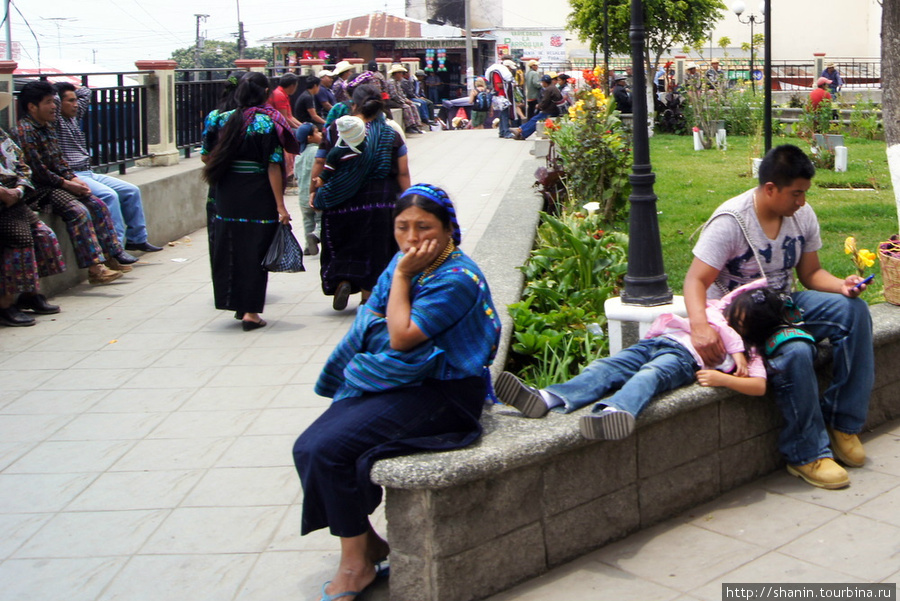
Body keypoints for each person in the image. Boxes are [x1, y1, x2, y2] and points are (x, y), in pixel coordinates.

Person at [292, 184, 502, 601]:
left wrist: (401, 285)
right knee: (309, 447)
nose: (411, 238)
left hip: (442, 392)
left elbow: (400, 336)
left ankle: (355, 565)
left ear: (448, 230)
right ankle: (365, 541)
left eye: (424, 227)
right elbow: (372, 326)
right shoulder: (401, 263)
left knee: (328, 450)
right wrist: (392, 308)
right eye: (402, 227)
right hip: (392, 379)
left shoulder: (457, 277)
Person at [683, 144, 874, 490]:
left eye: (805, 193)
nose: (801, 201)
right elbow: (695, 280)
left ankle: (844, 423)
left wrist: (842, 287)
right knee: (796, 351)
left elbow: (812, 274)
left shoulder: (802, 215)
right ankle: (806, 454)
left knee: (854, 311)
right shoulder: (731, 221)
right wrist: (700, 327)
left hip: (783, 303)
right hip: (742, 318)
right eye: (796, 194)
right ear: (770, 189)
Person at [496, 279, 770, 440]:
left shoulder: (751, 350)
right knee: (605, 367)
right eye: (734, 315)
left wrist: (724, 378)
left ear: (754, 332)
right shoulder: (718, 310)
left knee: (649, 376)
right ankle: (547, 398)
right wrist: (766, 285)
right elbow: (739, 296)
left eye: (741, 324)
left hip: (684, 360)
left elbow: (759, 386)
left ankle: (615, 412)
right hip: (656, 342)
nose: (733, 323)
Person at [201, 72, 300, 331]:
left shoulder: (217, 118)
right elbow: (273, 165)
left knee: (230, 247)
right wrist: (280, 206)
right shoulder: (268, 122)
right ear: (265, 93)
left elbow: (205, 157)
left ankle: (237, 304)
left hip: (226, 194)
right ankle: (251, 313)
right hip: (258, 194)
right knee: (255, 252)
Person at [15, 81, 129, 285]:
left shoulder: (47, 126)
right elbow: (38, 172)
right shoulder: (24, 132)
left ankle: (112, 255)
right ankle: (95, 269)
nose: (54, 107)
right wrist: (67, 184)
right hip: (40, 188)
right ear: (32, 106)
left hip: (57, 182)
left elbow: (59, 160)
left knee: (96, 203)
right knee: (78, 211)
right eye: (49, 102)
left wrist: (73, 178)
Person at [309, 84, 411, 311]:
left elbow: (320, 161)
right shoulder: (390, 132)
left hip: (341, 199)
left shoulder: (337, 129)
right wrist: (408, 202)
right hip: (381, 199)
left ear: (353, 105)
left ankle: (343, 279)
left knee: (344, 241)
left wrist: (313, 191)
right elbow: (402, 171)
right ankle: (368, 295)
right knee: (376, 248)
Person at [53, 82, 162, 253]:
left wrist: (75, 88)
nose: (75, 104)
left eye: (75, 100)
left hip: (88, 172)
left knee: (131, 191)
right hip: (73, 174)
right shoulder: (55, 121)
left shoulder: (73, 117)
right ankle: (115, 248)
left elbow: (86, 93)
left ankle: (137, 239)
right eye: (70, 101)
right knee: (109, 195)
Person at [0, 91, 65, 326]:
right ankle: (5, 303)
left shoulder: (2, 137)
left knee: (44, 235)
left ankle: (29, 294)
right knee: (20, 238)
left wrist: (18, 189)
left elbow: (22, 166)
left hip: (14, 197)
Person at [201, 71, 245, 273]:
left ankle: (222, 283)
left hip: (219, 184)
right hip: (248, 186)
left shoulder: (215, 117)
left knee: (218, 237)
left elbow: (205, 155)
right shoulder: (257, 119)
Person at [293, 123, 323, 256]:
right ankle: (316, 236)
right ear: (309, 137)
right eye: (317, 132)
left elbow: (296, 175)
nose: (320, 134)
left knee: (307, 221)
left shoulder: (299, 155)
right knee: (321, 219)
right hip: (315, 193)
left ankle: (307, 246)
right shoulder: (318, 153)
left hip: (303, 195)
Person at [314, 116, 366, 187]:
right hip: (358, 185)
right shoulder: (367, 146)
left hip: (343, 186)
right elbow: (327, 171)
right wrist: (321, 179)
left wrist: (320, 180)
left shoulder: (335, 152)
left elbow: (327, 172)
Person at [511, 74, 561, 140]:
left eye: (542, 82)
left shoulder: (548, 89)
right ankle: (520, 130)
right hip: (552, 110)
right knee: (534, 119)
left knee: (535, 120)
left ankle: (521, 132)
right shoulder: (552, 88)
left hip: (550, 111)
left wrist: (539, 106)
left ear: (545, 82)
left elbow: (545, 101)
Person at [385, 64, 424, 135]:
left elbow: (401, 93)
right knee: (406, 107)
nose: (402, 75)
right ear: (396, 74)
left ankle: (416, 124)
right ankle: (409, 126)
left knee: (412, 105)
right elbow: (394, 95)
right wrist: (404, 101)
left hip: (398, 100)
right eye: (400, 73)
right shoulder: (391, 82)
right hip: (391, 101)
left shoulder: (397, 82)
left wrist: (406, 99)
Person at [485, 58, 518, 139]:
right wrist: (510, 85)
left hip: (502, 96)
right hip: (501, 96)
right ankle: (506, 132)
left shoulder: (501, 73)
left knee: (503, 114)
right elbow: (499, 85)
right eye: (510, 68)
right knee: (504, 114)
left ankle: (502, 131)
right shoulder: (497, 74)